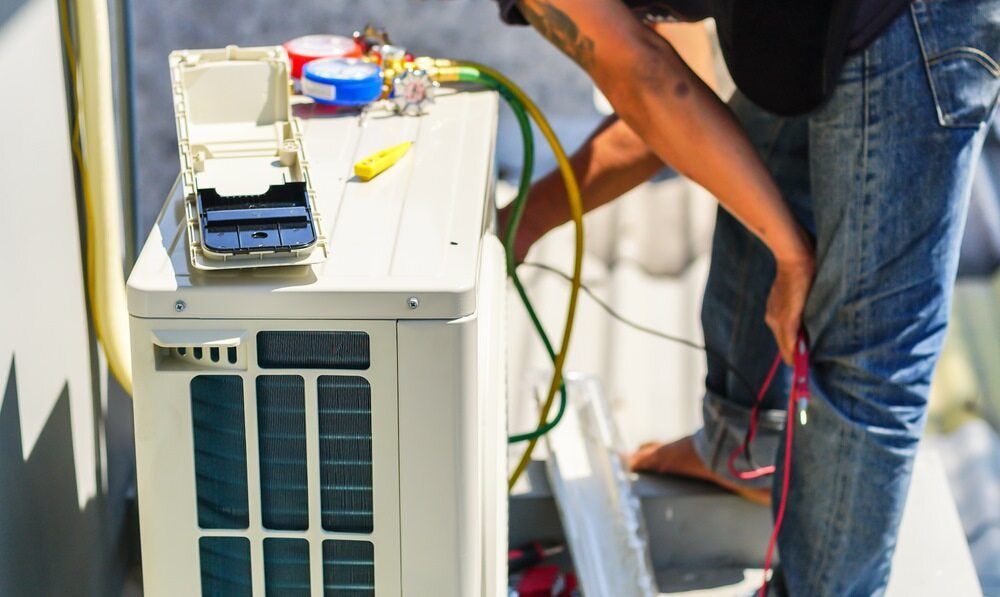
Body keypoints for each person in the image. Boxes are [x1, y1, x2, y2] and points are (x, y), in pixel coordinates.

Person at [494, 0, 1000, 594]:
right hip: (806, 25)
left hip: (906, 20)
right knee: (749, 156)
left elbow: (649, 84)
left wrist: (790, 253)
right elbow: (678, 96)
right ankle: (745, 449)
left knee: (866, 351)